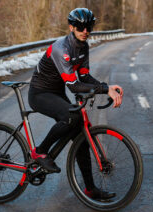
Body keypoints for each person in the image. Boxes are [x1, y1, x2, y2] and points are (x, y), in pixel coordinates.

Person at [28, 8, 123, 200]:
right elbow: (73, 86)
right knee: (73, 116)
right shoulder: (61, 48)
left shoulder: (83, 46)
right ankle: (40, 152)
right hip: (40, 93)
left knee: (81, 138)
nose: (85, 30)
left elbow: (85, 76)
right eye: (80, 26)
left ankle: (90, 188)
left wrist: (106, 87)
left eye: (88, 26)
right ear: (71, 27)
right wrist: (105, 89)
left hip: (56, 92)